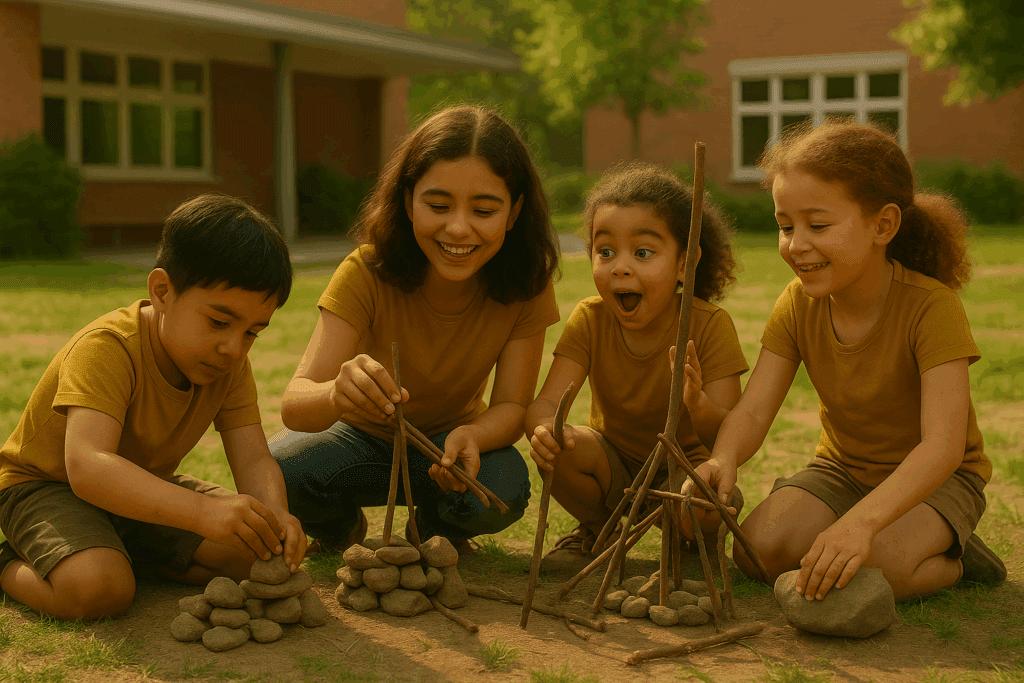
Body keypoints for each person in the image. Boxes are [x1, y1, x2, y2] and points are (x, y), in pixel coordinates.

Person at [695, 120, 1006, 602]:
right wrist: (724, 457)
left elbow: (943, 447)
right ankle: (867, 529)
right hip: (842, 470)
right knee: (757, 552)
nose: (796, 244)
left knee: (880, 571)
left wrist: (860, 523)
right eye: (785, 226)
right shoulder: (797, 303)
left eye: (818, 225)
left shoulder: (932, 307)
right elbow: (754, 409)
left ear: (882, 225)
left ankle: (957, 559)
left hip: (937, 481)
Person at [270, 105, 560, 555]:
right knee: (278, 468)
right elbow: (295, 403)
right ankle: (339, 527)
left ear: (514, 211)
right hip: (359, 443)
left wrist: (475, 436)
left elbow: (510, 408)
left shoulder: (526, 285)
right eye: (438, 205)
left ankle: (435, 528)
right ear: (407, 202)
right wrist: (335, 394)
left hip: (452, 448)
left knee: (504, 487)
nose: (458, 228)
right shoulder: (365, 271)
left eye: (484, 210)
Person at [0, 194, 306, 620]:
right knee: (98, 590)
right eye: (219, 322)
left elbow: (253, 457)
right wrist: (202, 512)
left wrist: (277, 514)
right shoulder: (108, 347)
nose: (233, 347)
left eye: (253, 331)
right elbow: (87, 466)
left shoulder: (230, 364)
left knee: (254, 552)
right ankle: (9, 567)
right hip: (47, 487)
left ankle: (122, 551)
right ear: (162, 291)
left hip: (140, 489)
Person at [525, 162, 748, 566]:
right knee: (563, 448)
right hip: (614, 469)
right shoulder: (590, 319)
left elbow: (729, 437)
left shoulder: (710, 326)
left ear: (684, 263)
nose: (621, 266)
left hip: (684, 472)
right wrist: (543, 430)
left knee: (706, 496)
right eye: (605, 252)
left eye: (643, 253)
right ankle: (598, 531)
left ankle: (692, 547)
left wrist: (698, 405)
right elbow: (545, 405)